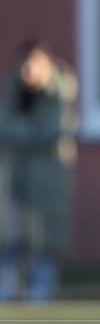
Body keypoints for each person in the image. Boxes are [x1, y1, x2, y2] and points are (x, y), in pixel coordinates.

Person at [0, 41, 78, 302]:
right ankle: (9, 286)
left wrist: (26, 134)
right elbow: (6, 125)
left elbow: (52, 130)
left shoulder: (59, 92)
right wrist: (28, 133)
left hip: (47, 179)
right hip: (15, 176)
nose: (29, 70)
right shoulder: (12, 92)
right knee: (11, 232)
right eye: (26, 64)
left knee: (43, 236)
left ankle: (41, 288)